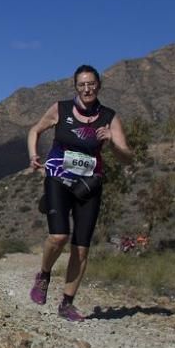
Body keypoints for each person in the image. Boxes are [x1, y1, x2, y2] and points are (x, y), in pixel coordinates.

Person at [26, 65, 133, 321]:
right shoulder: (60, 109)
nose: (87, 89)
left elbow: (127, 157)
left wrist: (112, 141)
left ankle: (67, 303)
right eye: (82, 84)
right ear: (76, 87)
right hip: (58, 177)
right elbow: (34, 130)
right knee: (59, 236)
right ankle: (43, 275)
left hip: (89, 185)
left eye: (91, 84)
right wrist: (33, 155)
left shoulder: (109, 117)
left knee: (81, 249)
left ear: (98, 85)